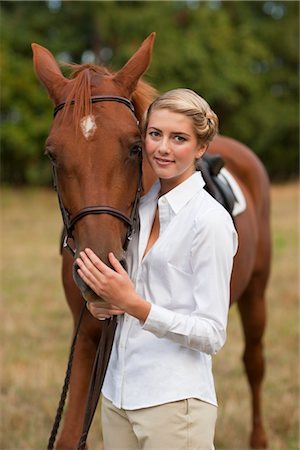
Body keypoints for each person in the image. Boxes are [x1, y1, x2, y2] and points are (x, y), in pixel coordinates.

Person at [76, 88, 238, 450]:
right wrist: (101, 303)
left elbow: (212, 334)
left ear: (200, 148)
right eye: (155, 134)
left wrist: (134, 305)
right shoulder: (139, 210)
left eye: (178, 138)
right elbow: (129, 292)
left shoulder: (209, 222)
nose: (163, 148)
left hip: (173, 405)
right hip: (117, 396)